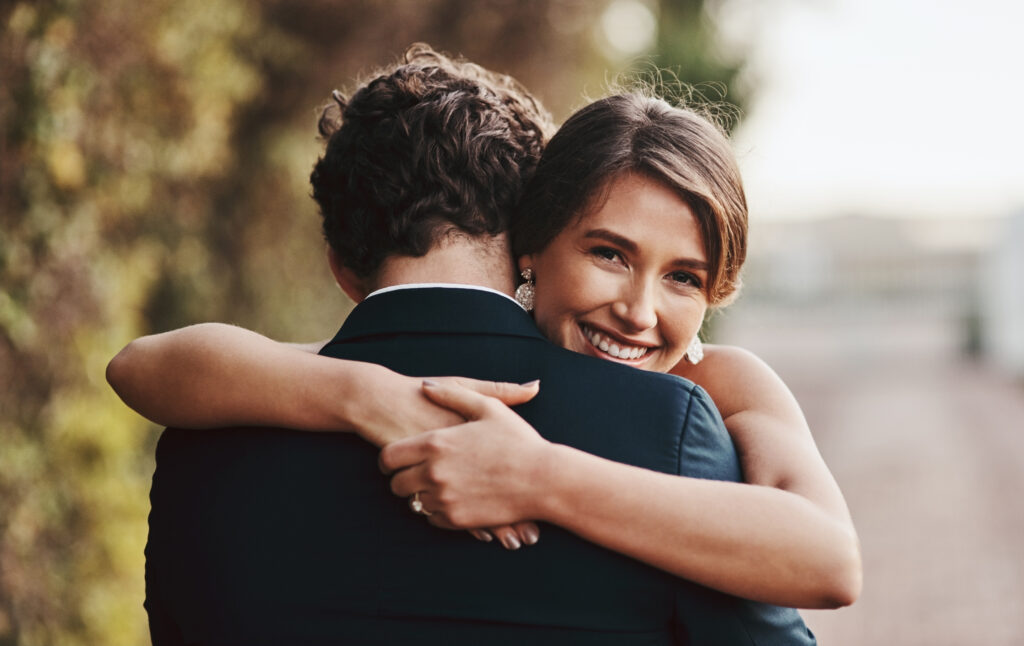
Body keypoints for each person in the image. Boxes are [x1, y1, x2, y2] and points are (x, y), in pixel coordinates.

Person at [116, 44, 853, 644]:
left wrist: (538, 476)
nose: (638, 311)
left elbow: (830, 559)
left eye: (685, 278)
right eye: (609, 254)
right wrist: (369, 395)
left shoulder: (719, 393)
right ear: (528, 246)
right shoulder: (673, 436)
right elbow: (141, 365)